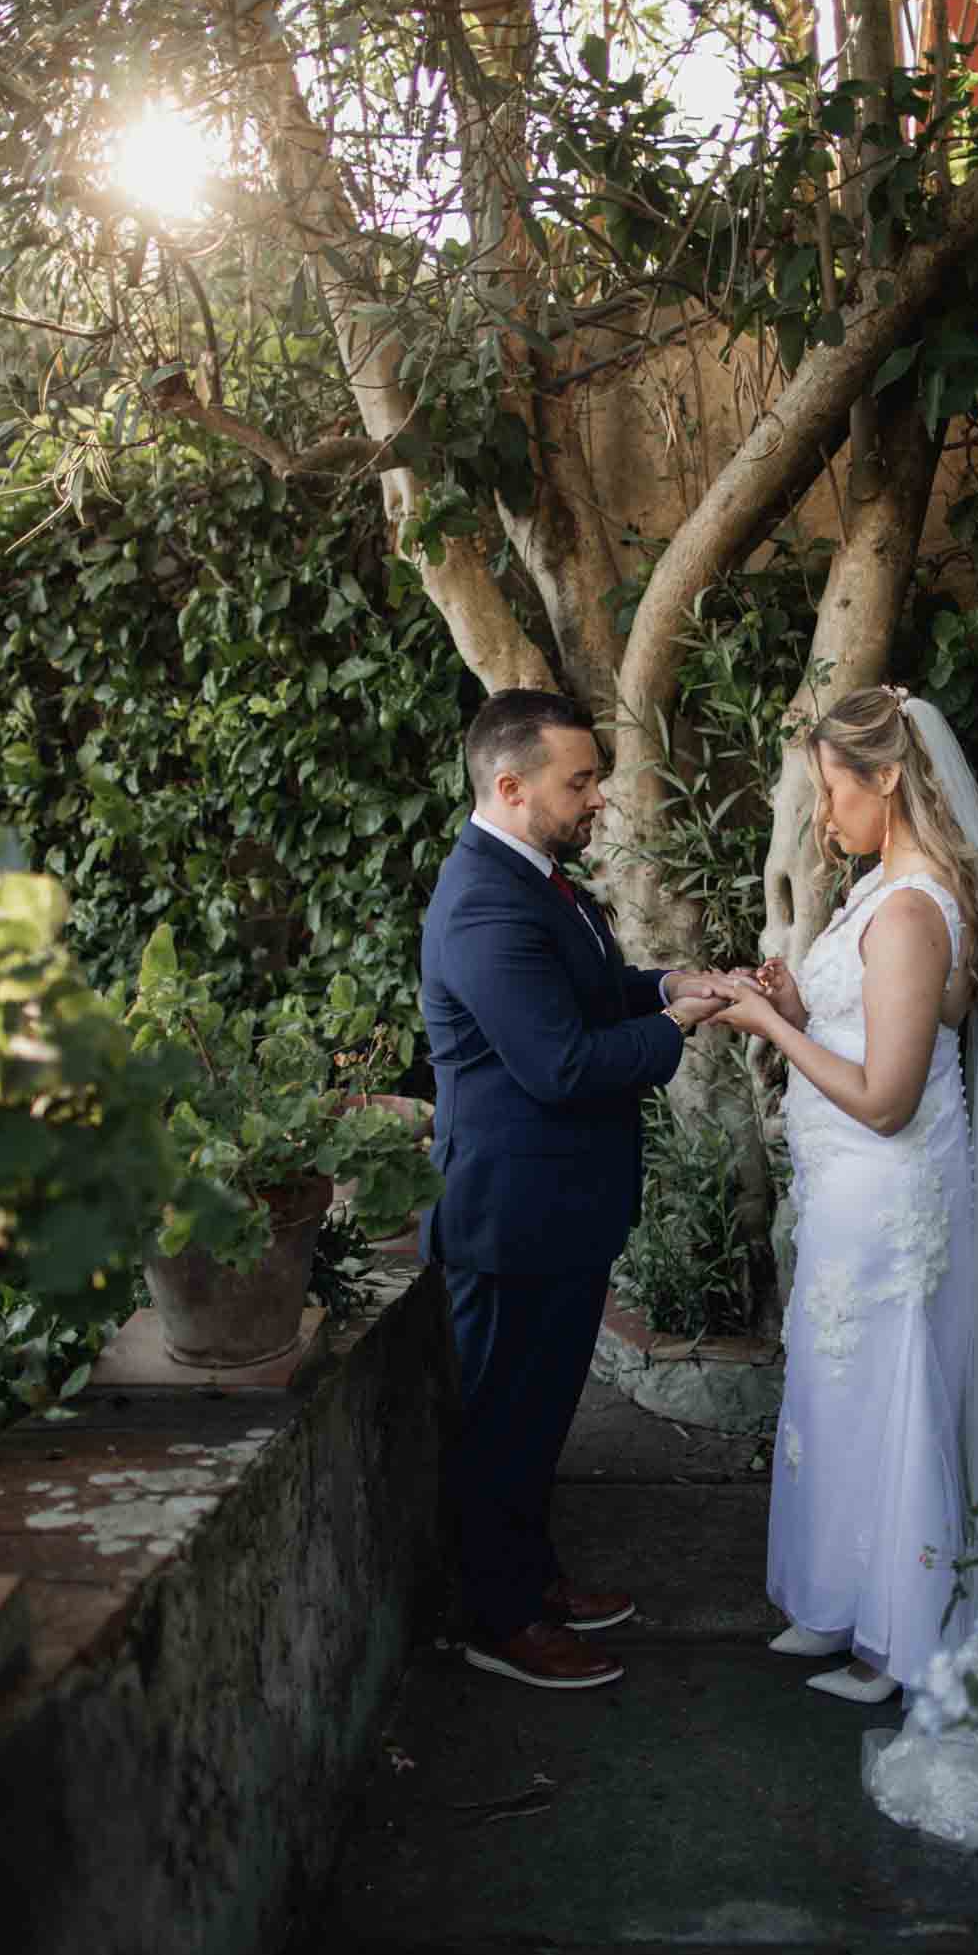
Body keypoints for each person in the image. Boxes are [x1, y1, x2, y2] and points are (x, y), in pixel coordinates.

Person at [716, 684, 978, 1709]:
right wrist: (795, 1001)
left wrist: (763, 1025)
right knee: (840, 1395)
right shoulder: (882, 891)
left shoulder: (911, 911)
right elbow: (864, 1029)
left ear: (887, 780)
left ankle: (897, 1639)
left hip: (889, 1191)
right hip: (849, 1193)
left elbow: (885, 1097)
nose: (824, 816)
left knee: (892, 1396)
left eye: (833, 791)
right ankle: (836, 1599)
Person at [420, 689, 729, 1692]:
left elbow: (591, 990)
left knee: (541, 1414)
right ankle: (498, 1620)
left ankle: (535, 1577)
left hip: (560, 1208)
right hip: (511, 1217)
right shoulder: (479, 902)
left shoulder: (537, 881)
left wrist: (665, 985)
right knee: (504, 1422)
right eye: (579, 781)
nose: (598, 797)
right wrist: (678, 1027)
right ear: (508, 787)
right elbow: (557, 1064)